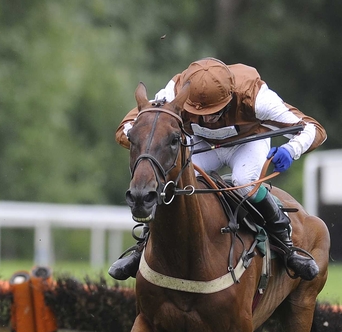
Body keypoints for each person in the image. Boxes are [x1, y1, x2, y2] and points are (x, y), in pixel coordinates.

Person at [109, 57, 327, 281]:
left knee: (244, 183)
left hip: (247, 142)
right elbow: (129, 126)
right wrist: (142, 136)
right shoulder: (173, 92)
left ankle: (286, 245)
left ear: (231, 96)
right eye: (199, 110)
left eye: (215, 111)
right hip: (201, 143)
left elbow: (312, 129)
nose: (207, 118)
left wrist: (291, 149)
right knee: (174, 183)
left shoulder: (257, 97)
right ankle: (143, 246)